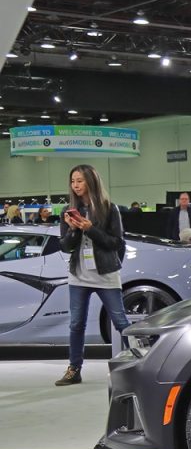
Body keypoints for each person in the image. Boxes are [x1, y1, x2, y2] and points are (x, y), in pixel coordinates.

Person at [55, 164, 131, 386]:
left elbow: (117, 243)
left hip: (105, 274)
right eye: (73, 181)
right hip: (78, 275)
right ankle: (74, 369)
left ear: (90, 181)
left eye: (80, 180)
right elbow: (65, 247)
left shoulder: (109, 208)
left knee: (120, 321)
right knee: (76, 323)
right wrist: (73, 230)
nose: (75, 185)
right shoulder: (67, 212)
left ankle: (140, 362)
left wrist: (90, 229)